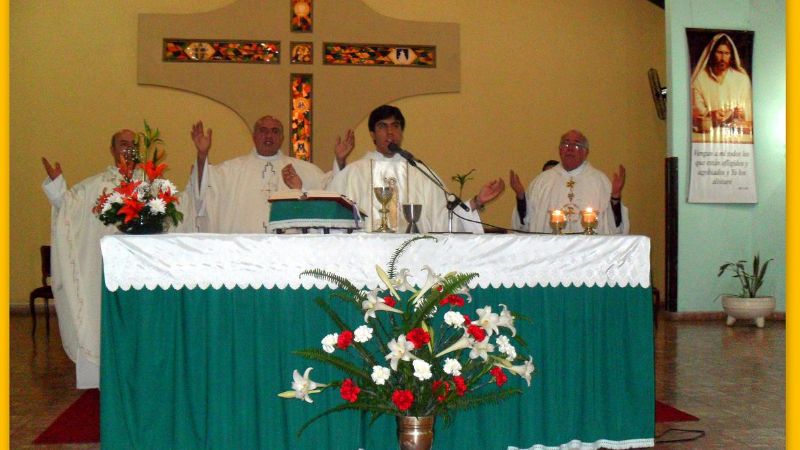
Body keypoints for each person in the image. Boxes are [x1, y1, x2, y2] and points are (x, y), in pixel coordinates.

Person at [41, 129, 194, 388]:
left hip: (146, 276)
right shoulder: (96, 187)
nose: (129, 149)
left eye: (133, 145)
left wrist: (196, 183)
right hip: (107, 274)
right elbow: (69, 206)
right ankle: (110, 377)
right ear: (112, 150)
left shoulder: (152, 187)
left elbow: (181, 209)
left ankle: (149, 375)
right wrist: (58, 187)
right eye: (123, 144)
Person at [327, 105, 505, 233]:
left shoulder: (420, 172)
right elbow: (332, 209)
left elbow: (443, 219)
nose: (390, 132)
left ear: (401, 132)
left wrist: (476, 201)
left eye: (395, 126)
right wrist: (340, 163)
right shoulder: (356, 172)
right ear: (373, 135)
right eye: (383, 126)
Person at [188, 115, 354, 233]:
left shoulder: (304, 170)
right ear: (254, 136)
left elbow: (331, 191)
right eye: (263, 130)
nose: (269, 135)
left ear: (281, 137)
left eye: (275, 131)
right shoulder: (231, 170)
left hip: (286, 253)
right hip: (243, 251)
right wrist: (202, 155)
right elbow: (204, 189)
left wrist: (339, 161)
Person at [510, 130, 629, 234]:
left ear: (585, 152)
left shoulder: (599, 181)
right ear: (560, 150)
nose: (570, 148)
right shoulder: (542, 181)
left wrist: (615, 197)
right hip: (551, 252)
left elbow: (615, 226)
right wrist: (521, 197)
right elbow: (524, 224)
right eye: (566, 144)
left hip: (588, 253)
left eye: (577, 145)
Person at [691, 33, 753, 134]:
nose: (723, 58)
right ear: (712, 53)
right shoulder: (699, 79)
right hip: (707, 135)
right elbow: (694, 110)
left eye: (727, 53)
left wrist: (740, 114)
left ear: (731, 55)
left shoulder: (742, 79)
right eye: (719, 52)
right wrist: (711, 114)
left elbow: (749, 112)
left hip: (735, 136)